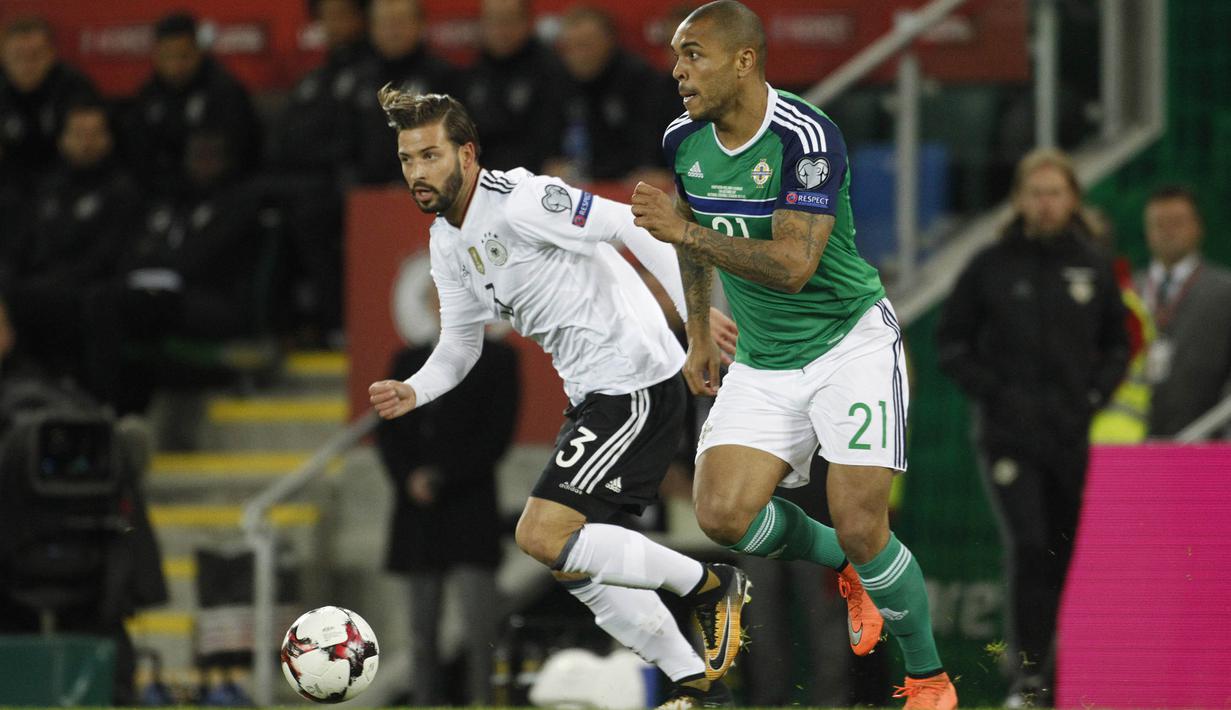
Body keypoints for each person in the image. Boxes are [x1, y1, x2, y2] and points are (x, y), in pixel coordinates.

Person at [366, 88, 745, 707]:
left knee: (541, 535)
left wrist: (694, 319)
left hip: (634, 383)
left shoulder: (522, 199)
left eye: (430, 155)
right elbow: (461, 344)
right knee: (573, 561)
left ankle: (708, 585)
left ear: (467, 154)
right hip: (595, 395)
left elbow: (630, 224)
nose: (417, 172)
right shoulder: (446, 242)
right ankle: (698, 684)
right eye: (408, 159)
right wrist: (417, 388)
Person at [629, 2, 957, 707]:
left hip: (849, 344)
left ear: (744, 60)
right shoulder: (683, 138)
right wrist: (696, 331)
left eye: (694, 54)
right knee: (721, 514)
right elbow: (695, 240)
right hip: (764, 359)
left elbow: (792, 266)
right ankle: (849, 567)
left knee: (862, 524)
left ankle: (927, 677)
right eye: (677, 55)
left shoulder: (805, 136)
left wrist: (683, 232)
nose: (678, 70)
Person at [936, 148, 1129, 705]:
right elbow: (951, 342)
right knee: (1029, 543)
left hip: (1069, 437)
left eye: (1055, 193)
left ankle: (1054, 672)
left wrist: (1094, 395)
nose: (1046, 203)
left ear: (1073, 200)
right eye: (1036, 193)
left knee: (1062, 554)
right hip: (1008, 437)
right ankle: (1027, 676)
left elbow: (1119, 345)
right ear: (1019, 200)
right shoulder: (990, 264)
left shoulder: (1093, 265)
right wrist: (995, 393)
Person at [376, 259, 519, 705]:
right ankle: (425, 701)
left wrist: (442, 476)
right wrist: (410, 478)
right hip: (419, 513)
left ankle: (481, 701)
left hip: (470, 507)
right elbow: (389, 434)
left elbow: (495, 436)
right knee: (421, 631)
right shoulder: (405, 362)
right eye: (437, 294)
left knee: (480, 628)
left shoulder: (498, 361)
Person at [0, 101, 140, 388]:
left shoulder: (122, 191)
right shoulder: (48, 187)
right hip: (34, 287)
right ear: (62, 140)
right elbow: (19, 247)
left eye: (94, 134)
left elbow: (107, 257)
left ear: (109, 140)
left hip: (86, 291)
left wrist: (46, 283)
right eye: (78, 134)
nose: (85, 143)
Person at [125, 12, 261, 194]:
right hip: (157, 192)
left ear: (198, 51)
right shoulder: (149, 94)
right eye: (167, 56)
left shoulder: (224, 91)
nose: (175, 66)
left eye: (183, 56)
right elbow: (137, 152)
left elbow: (234, 155)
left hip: (216, 192)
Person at [1134, 185, 1231, 438]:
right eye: (1159, 224)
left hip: (1205, 440)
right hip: (1133, 441)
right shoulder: (1128, 291)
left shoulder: (1225, 292)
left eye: (1177, 222)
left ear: (1198, 227)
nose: (1168, 231)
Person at [546, 6, 679, 182]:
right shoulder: (558, 80)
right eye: (569, 48)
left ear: (609, 41)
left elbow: (646, 147)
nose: (578, 56)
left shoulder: (638, 79)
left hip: (630, 181)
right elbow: (546, 140)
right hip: (583, 179)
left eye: (585, 45)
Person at [350, 0, 456, 184]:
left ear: (419, 24)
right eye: (384, 24)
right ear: (371, 29)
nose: (393, 32)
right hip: (367, 190)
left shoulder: (443, 78)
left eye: (400, 22)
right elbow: (345, 147)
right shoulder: (357, 81)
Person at [460, 0, 566, 174]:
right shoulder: (473, 72)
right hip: (481, 176)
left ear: (527, 22)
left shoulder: (550, 70)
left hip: (534, 176)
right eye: (492, 21)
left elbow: (552, 139)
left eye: (508, 20)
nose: (500, 30)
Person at [0, 16, 97, 197]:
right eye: (17, 56)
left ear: (52, 54)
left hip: (66, 186)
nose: (27, 64)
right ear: (4, 57)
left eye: (36, 55)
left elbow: (86, 151)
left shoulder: (73, 87)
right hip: (9, 187)